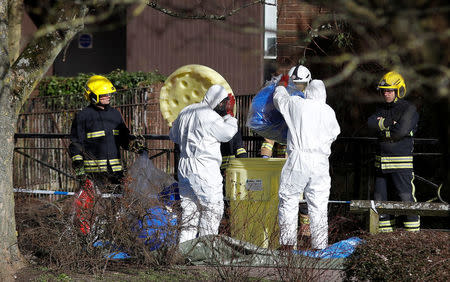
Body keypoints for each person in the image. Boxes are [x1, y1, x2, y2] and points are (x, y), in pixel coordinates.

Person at [273, 71, 340, 251]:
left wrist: (281, 84)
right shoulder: (329, 112)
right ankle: (320, 247)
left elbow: (279, 99)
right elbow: (335, 134)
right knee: (318, 204)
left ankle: (287, 245)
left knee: (289, 199)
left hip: (299, 158)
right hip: (320, 162)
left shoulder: (298, 105)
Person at [69, 75, 143, 234]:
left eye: (109, 94)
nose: (108, 97)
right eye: (103, 95)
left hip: (115, 171)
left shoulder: (115, 115)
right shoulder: (83, 116)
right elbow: (75, 144)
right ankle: (87, 236)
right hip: (92, 172)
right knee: (88, 206)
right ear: (92, 95)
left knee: (119, 204)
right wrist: (79, 167)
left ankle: (115, 233)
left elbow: (124, 139)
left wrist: (137, 147)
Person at [169, 84, 238, 243]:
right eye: (225, 103)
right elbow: (227, 134)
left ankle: (184, 249)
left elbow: (173, 135)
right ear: (219, 102)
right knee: (212, 208)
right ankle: (206, 250)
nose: (226, 106)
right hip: (203, 167)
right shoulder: (209, 115)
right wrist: (230, 118)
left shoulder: (187, 111)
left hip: (184, 166)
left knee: (190, 212)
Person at [368, 71, 420, 232]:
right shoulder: (380, 108)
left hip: (401, 165)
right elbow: (370, 124)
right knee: (380, 201)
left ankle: (413, 237)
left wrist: (382, 126)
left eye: (390, 90)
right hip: (381, 165)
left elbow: (399, 132)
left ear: (399, 91)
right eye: (384, 90)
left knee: (406, 199)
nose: (386, 93)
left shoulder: (409, 109)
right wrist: (391, 123)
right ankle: (384, 237)